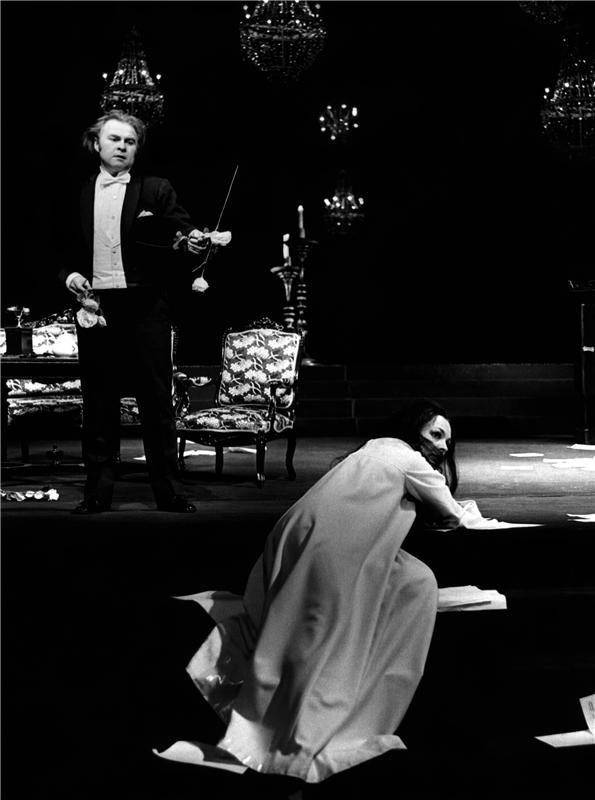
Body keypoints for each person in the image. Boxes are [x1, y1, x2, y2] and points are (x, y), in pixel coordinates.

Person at [156, 399, 500, 783]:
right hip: (333, 545)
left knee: (411, 580)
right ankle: (298, 725)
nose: (443, 446)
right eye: (436, 434)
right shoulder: (409, 461)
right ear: (414, 428)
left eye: (447, 441)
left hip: (297, 530)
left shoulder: (370, 450)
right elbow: (452, 514)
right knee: (325, 632)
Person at [58, 109, 231, 514]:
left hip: (146, 306)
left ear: (137, 149)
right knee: (99, 402)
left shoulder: (155, 188)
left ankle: (168, 490)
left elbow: (183, 232)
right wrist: (70, 277)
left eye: (130, 141)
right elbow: (61, 248)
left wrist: (194, 242)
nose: (122, 147)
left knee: (156, 401)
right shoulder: (77, 191)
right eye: (114, 139)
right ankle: (97, 491)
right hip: (98, 307)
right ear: (96, 144)